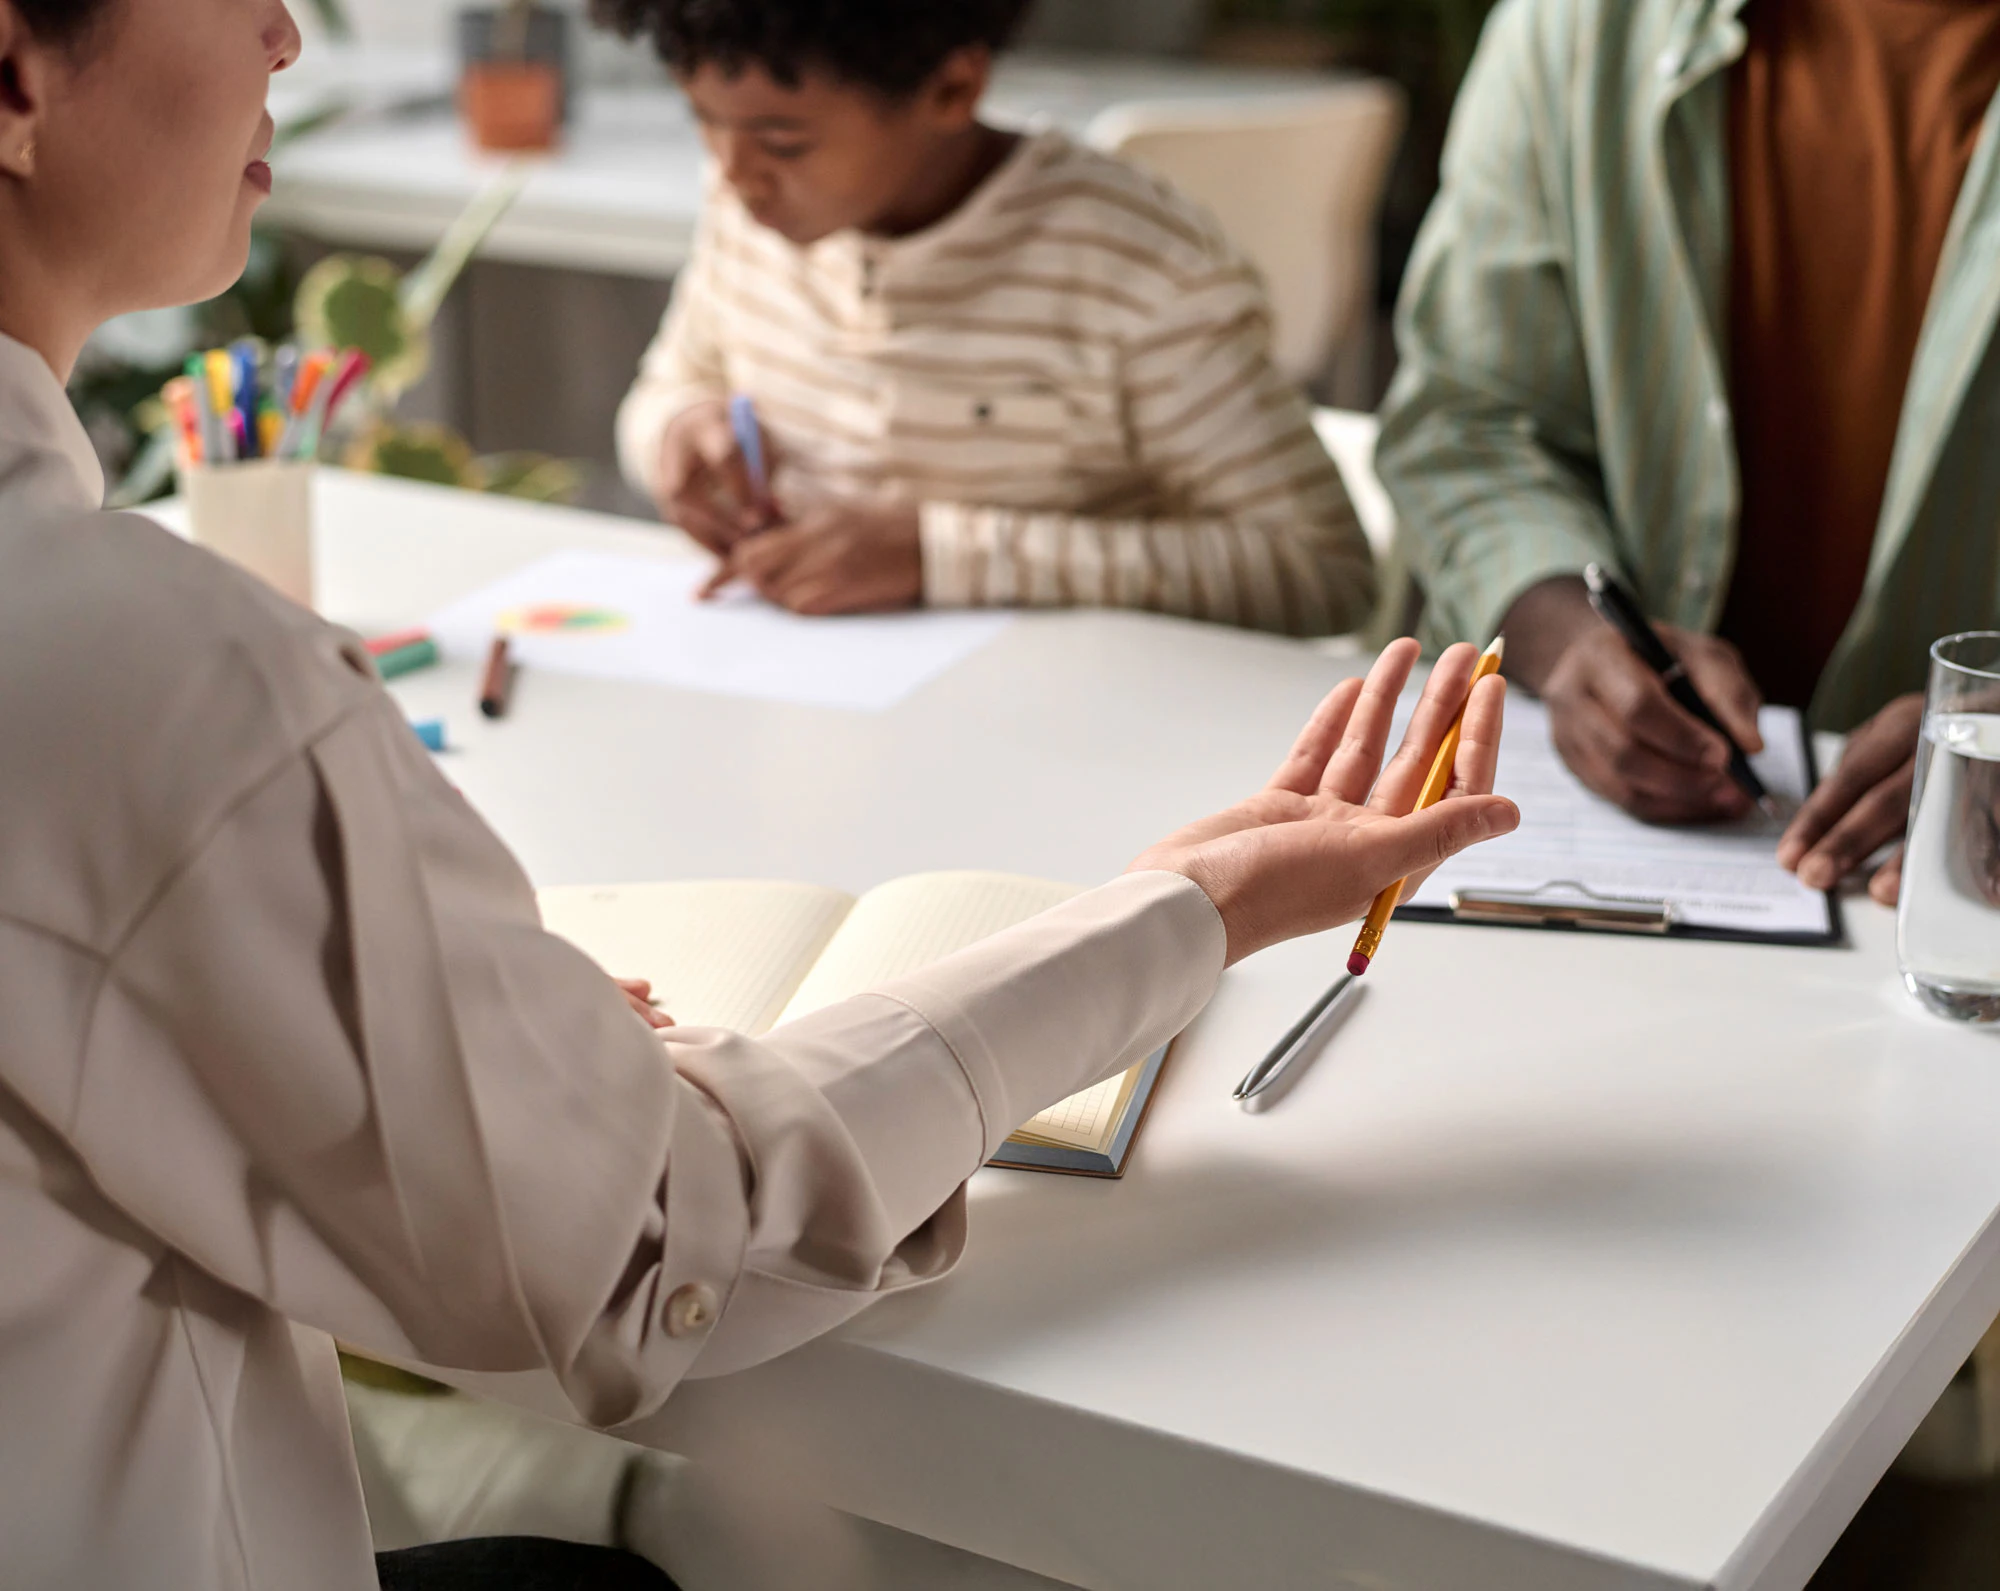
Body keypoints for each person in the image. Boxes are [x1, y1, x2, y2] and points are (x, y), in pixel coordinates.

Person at [0, 0, 1520, 1583]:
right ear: (13, 73)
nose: (286, 29)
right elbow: (658, 1239)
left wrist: (439, 1013)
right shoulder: (166, 689)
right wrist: (1187, 913)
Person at [1375, 0, 2000, 904]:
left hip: (1946, 920)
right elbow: (1467, 421)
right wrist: (1572, 644)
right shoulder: (1582, 27)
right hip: (1590, 874)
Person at [602, 0, 1377, 638]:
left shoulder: (1138, 268)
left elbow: (1319, 571)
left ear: (952, 90)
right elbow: (673, 384)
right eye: (704, 120)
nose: (735, 174)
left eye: (784, 140)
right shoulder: (752, 212)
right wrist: (676, 430)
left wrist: (940, 555)